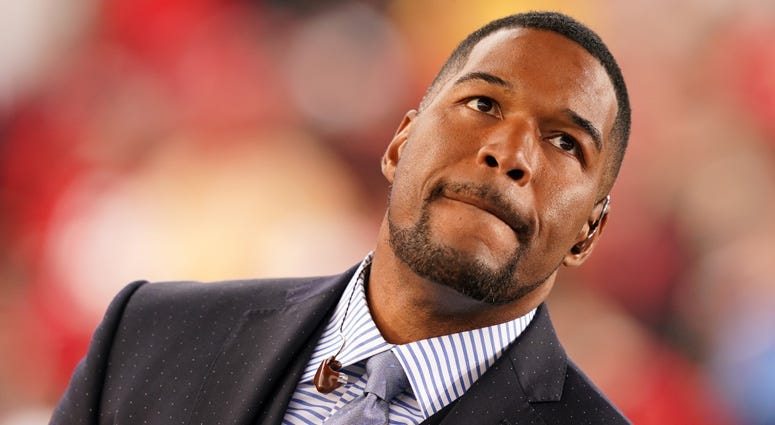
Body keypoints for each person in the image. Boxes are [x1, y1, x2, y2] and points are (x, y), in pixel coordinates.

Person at [51, 10, 632, 425]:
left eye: (563, 142)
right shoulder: (148, 337)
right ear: (400, 143)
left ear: (589, 232)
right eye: (482, 104)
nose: (509, 153)